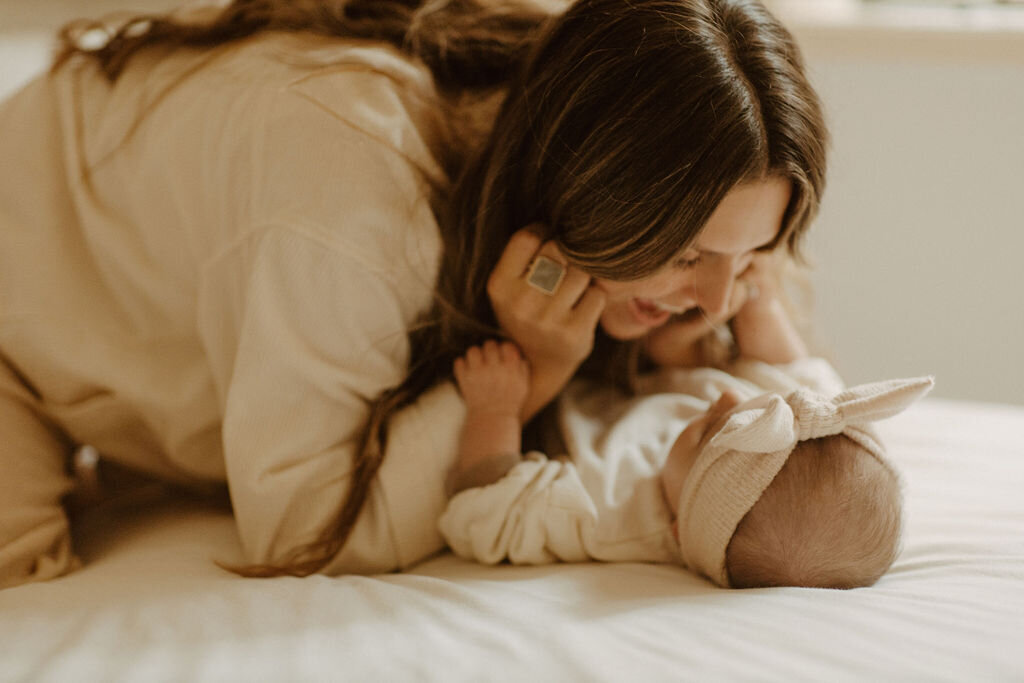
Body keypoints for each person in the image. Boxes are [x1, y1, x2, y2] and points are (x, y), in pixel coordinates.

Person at [0, 0, 828, 588]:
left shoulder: (582, 93)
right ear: (596, 192)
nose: (721, 297)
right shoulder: (351, 199)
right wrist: (536, 368)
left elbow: (752, 329)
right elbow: (304, 532)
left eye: (750, 254)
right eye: (687, 253)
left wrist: (687, 325)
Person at [439, 333, 933, 588]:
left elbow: (491, 511)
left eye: (703, 432)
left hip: (549, 391)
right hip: (649, 365)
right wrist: (760, 303)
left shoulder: (607, 515)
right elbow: (790, 369)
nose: (722, 399)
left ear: (680, 530)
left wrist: (495, 409)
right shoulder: (793, 423)